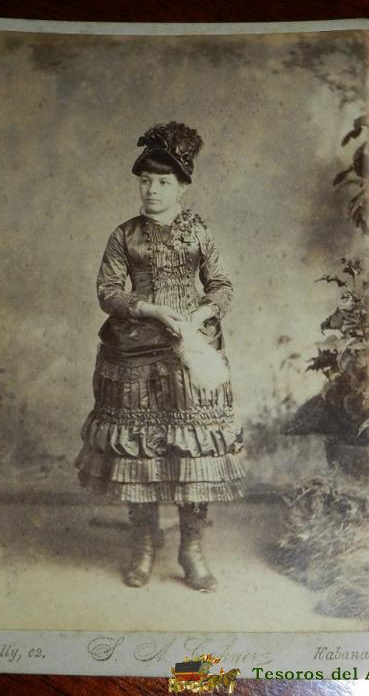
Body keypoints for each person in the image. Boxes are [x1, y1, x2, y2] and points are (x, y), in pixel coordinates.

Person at [75, 121, 247, 592]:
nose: (152, 190)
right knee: (140, 447)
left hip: (189, 349)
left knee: (193, 447)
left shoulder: (199, 232)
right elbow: (108, 292)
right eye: (145, 181)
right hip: (134, 352)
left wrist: (202, 313)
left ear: (182, 187)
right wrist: (149, 309)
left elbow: (222, 285)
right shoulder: (124, 235)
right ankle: (144, 543)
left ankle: (191, 549)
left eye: (163, 182)